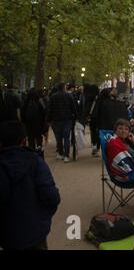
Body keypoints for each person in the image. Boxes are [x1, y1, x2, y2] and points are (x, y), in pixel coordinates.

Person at [0, 121, 60, 250]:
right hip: (35, 231)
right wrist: (44, 217)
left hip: (7, 236)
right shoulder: (36, 162)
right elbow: (52, 196)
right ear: (24, 140)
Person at [48, 83, 77, 163]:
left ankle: (60, 153)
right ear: (64, 87)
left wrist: (49, 120)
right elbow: (73, 108)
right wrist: (75, 117)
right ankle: (66, 155)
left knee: (59, 138)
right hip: (67, 119)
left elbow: (50, 109)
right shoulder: (69, 96)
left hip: (56, 120)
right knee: (66, 137)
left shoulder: (53, 97)